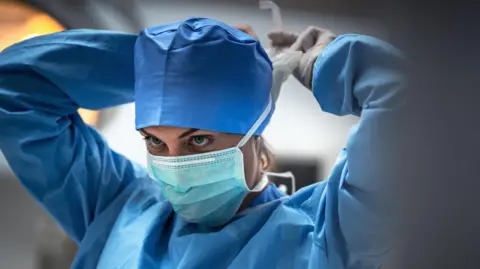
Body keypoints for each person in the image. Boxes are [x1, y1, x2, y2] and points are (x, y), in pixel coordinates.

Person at [0, 17, 405, 268]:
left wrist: (330, 64)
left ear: (255, 143)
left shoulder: (326, 234)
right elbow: (13, 86)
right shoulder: (119, 205)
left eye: (198, 139)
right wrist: (165, 61)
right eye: (155, 143)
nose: (174, 164)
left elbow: (414, 110)